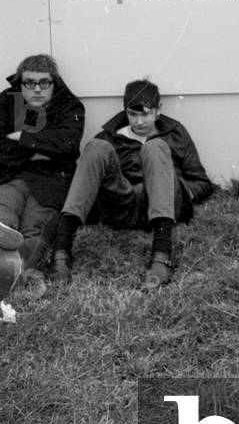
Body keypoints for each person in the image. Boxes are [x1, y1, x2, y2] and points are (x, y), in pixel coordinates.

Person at [48, 79, 213, 289]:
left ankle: (161, 258)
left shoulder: (176, 133)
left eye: (145, 113)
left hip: (160, 202)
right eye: (133, 114)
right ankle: (61, 251)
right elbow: (91, 179)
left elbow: (202, 182)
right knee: (96, 147)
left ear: (158, 110)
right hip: (122, 202)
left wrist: (178, 191)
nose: (140, 121)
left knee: (155, 148)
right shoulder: (110, 136)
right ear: (125, 112)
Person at [0, 54, 84, 274]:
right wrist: (44, 147)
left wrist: (22, 138)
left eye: (44, 83)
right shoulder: (7, 101)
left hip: (50, 181)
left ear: (53, 83)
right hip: (12, 176)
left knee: (35, 228)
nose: (37, 89)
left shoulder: (70, 106)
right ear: (20, 83)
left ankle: (13, 270)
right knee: (2, 216)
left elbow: (67, 146)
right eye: (29, 83)